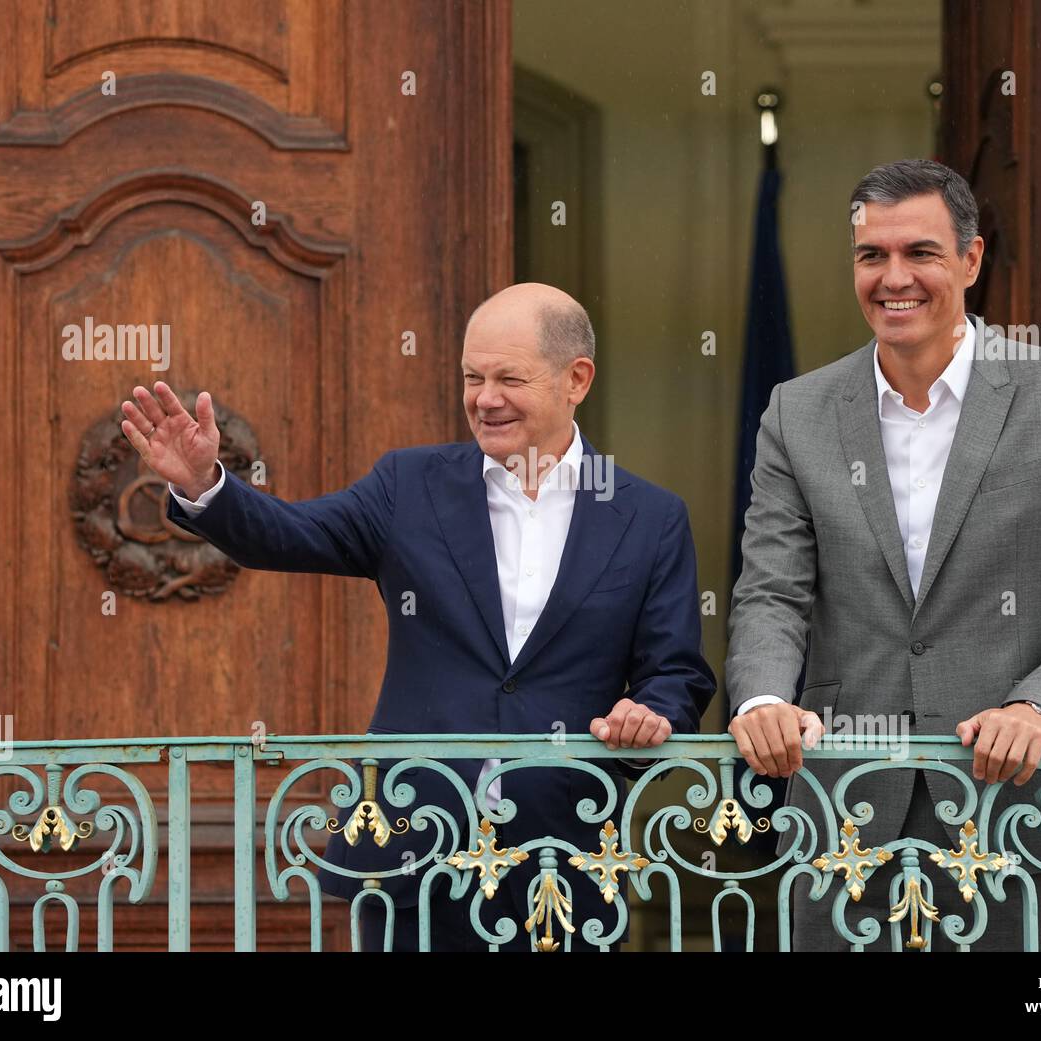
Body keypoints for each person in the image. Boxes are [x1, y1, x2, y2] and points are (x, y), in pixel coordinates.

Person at [121, 282, 715, 951]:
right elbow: (287, 533)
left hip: (565, 861)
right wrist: (205, 486)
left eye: (508, 378)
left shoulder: (650, 516)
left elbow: (676, 673)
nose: (483, 398)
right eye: (471, 377)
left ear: (577, 379)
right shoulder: (409, 485)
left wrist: (650, 712)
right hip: (410, 855)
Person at [725, 159, 1041, 951]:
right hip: (844, 813)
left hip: (1020, 807)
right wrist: (759, 700)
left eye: (920, 253)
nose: (895, 278)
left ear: (970, 260)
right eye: (872, 256)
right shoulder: (797, 411)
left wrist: (1038, 704)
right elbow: (771, 595)